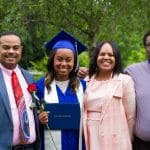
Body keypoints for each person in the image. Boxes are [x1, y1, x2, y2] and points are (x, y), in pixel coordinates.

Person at [36, 30, 87, 150]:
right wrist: (39, 119)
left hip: (77, 144)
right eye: (59, 59)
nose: (64, 63)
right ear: (52, 60)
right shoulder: (40, 87)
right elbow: (31, 119)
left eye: (68, 60)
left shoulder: (84, 86)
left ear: (75, 63)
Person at [83, 41, 136, 150]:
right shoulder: (86, 80)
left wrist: (126, 140)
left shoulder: (125, 81)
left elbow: (130, 117)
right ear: (96, 57)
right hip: (89, 134)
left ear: (116, 59)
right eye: (102, 54)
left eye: (111, 55)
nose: (106, 57)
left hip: (115, 139)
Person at [0, 31, 40, 149]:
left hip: (29, 147)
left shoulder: (28, 77)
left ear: (21, 50)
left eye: (16, 48)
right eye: (6, 47)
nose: (11, 51)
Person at [124, 30, 150, 150]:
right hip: (142, 145)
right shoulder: (132, 71)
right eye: (149, 44)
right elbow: (108, 79)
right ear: (145, 48)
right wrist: (85, 72)